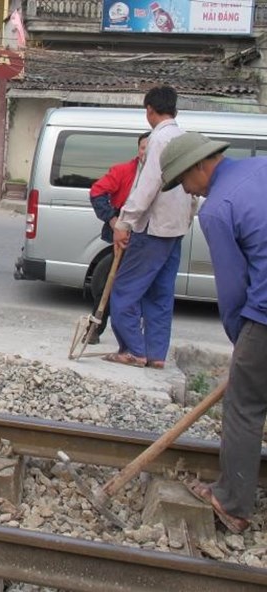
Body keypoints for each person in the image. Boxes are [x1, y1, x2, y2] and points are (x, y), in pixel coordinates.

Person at [159, 131, 259, 534]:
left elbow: (233, 291)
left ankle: (232, 503)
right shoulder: (259, 168)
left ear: (201, 165)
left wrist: (245, 348)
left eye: (184, 180)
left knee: (245, 405)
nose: (186, 190)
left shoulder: (217, 208)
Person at [104, 85, 195, 369]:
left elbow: (148, 185)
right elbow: (193, 192)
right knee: (160, 295)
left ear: (149, 111)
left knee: (125, 290)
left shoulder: (158, 140)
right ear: (175, 110)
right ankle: (155, 354)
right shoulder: (184, 139)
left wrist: (125, 221)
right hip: (175, 229)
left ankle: (133, 350)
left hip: (153, 229)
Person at [86, 132, 149, 344]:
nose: (145, 153)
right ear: (138, 149)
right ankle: (94, 329)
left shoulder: (162, 175)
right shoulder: (123, 171)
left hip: (149, 238)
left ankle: (137, 338)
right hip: (123, 237)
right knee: (107, 283)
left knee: (143, 288)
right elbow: (97, 192)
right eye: (142, 148)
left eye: (150, 148)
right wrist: (114, 223)